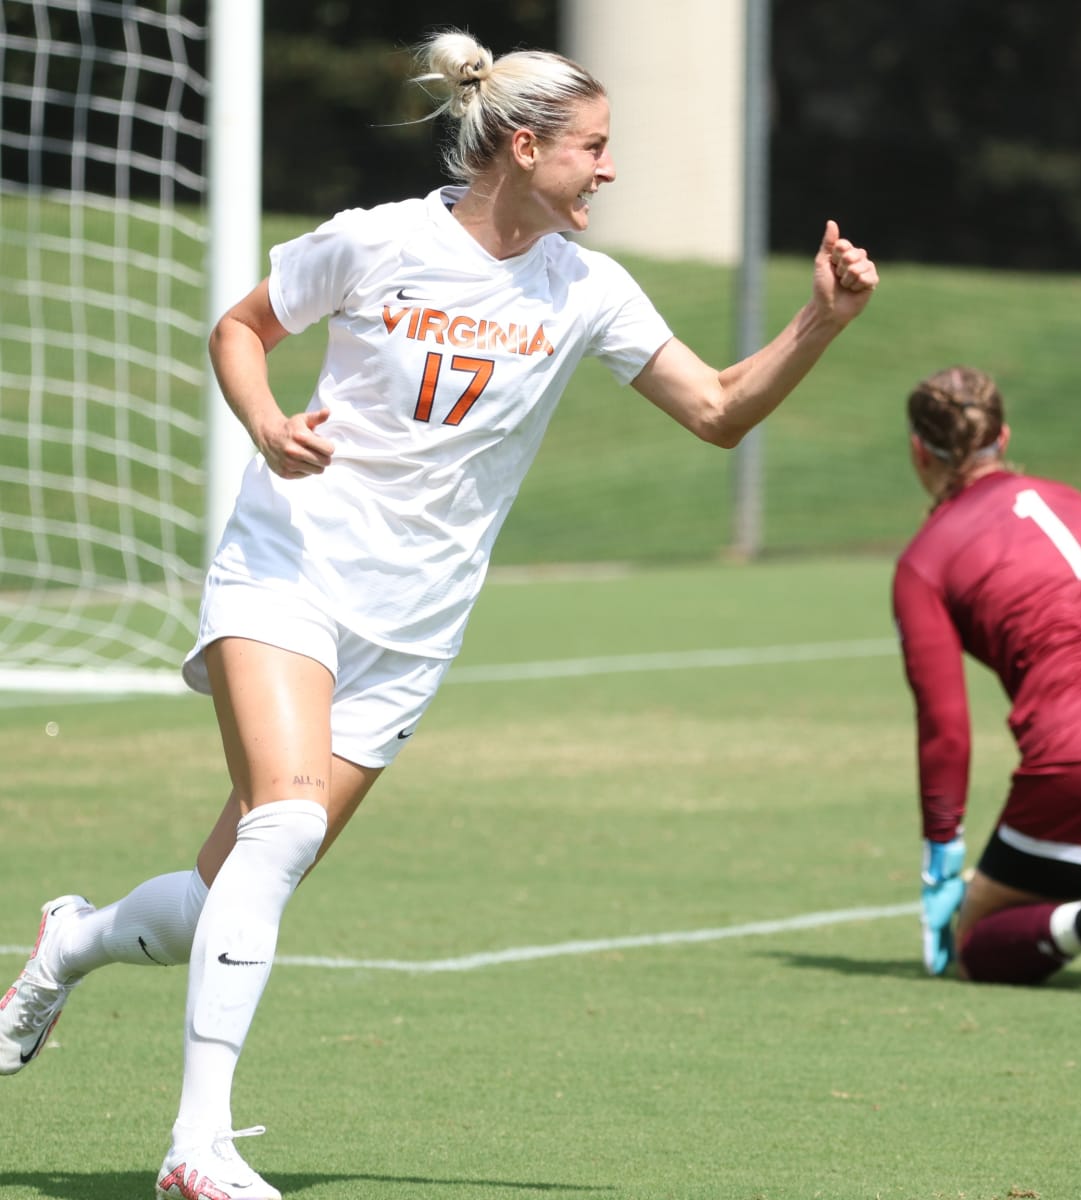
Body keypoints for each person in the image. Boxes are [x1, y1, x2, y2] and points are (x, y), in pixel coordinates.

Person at [0, 29, 878, 1200]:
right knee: (288, 827)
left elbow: (716, 410)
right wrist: (266, 423)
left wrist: (822, 320)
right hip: (289, 572)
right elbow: (242, 328)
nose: (610, 171)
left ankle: (70, 940)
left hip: (413, 630)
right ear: (525, 146)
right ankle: (195, 1149)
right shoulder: (378, 241)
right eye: (596, 148)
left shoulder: (587, 288)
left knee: (228, 889)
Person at [894, 364, 1081, 998]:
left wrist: (942, 857)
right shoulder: (1077, 501)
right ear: (1003, 440)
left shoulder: (924, 561)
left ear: (918, 451)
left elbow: (945, 729)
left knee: (972, 945)